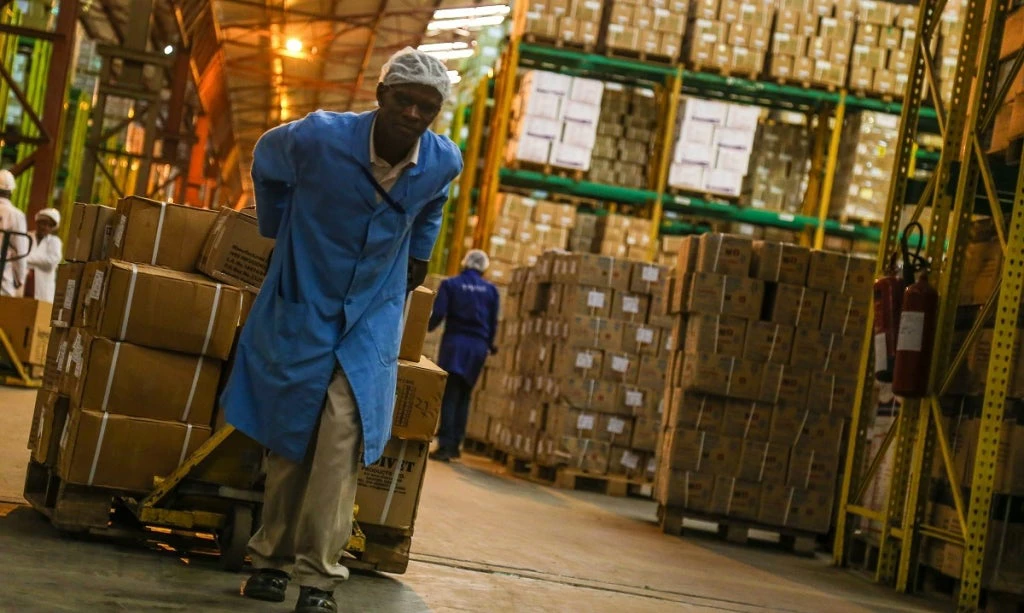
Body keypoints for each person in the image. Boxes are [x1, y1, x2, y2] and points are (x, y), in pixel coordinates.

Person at [220, 48, 461, 613]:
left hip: (370, 314)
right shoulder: (318, 138)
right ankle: (271, 559)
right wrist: (279, 225)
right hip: (306, 295)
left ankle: (319, 579)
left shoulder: (442, 160)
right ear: (380, 98)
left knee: (342, 437)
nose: (413, 114)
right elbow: (266, 159)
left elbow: (433, 204)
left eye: (427, 107)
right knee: (289, 435)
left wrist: (420, 253)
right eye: (403, 100)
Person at [427, 249, 500, 462]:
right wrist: (490, 344)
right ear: (484, 267)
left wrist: (425, 326)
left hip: (455, 344)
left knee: (450, 393)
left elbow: (439, 314)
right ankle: (456, 443)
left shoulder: (451, 284)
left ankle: (445, 445)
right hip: (477, 347)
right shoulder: (491, 290)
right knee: (465, 394)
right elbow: (493, 321)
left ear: (465, 263)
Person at [25, 208, 63, 302]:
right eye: (43, 223)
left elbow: (51, 262)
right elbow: (16, 257)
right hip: (25, 282)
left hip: (43, 287)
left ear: (52, 228)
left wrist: (26, 259)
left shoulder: (55, 241)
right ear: (37, 223)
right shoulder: (26, 236)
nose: (45, 227)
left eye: (49, 225)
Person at [0, 170, 28, 297]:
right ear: (11, 191)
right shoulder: (16, 215)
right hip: (2, 279)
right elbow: (20, 250)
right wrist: (19, 279)